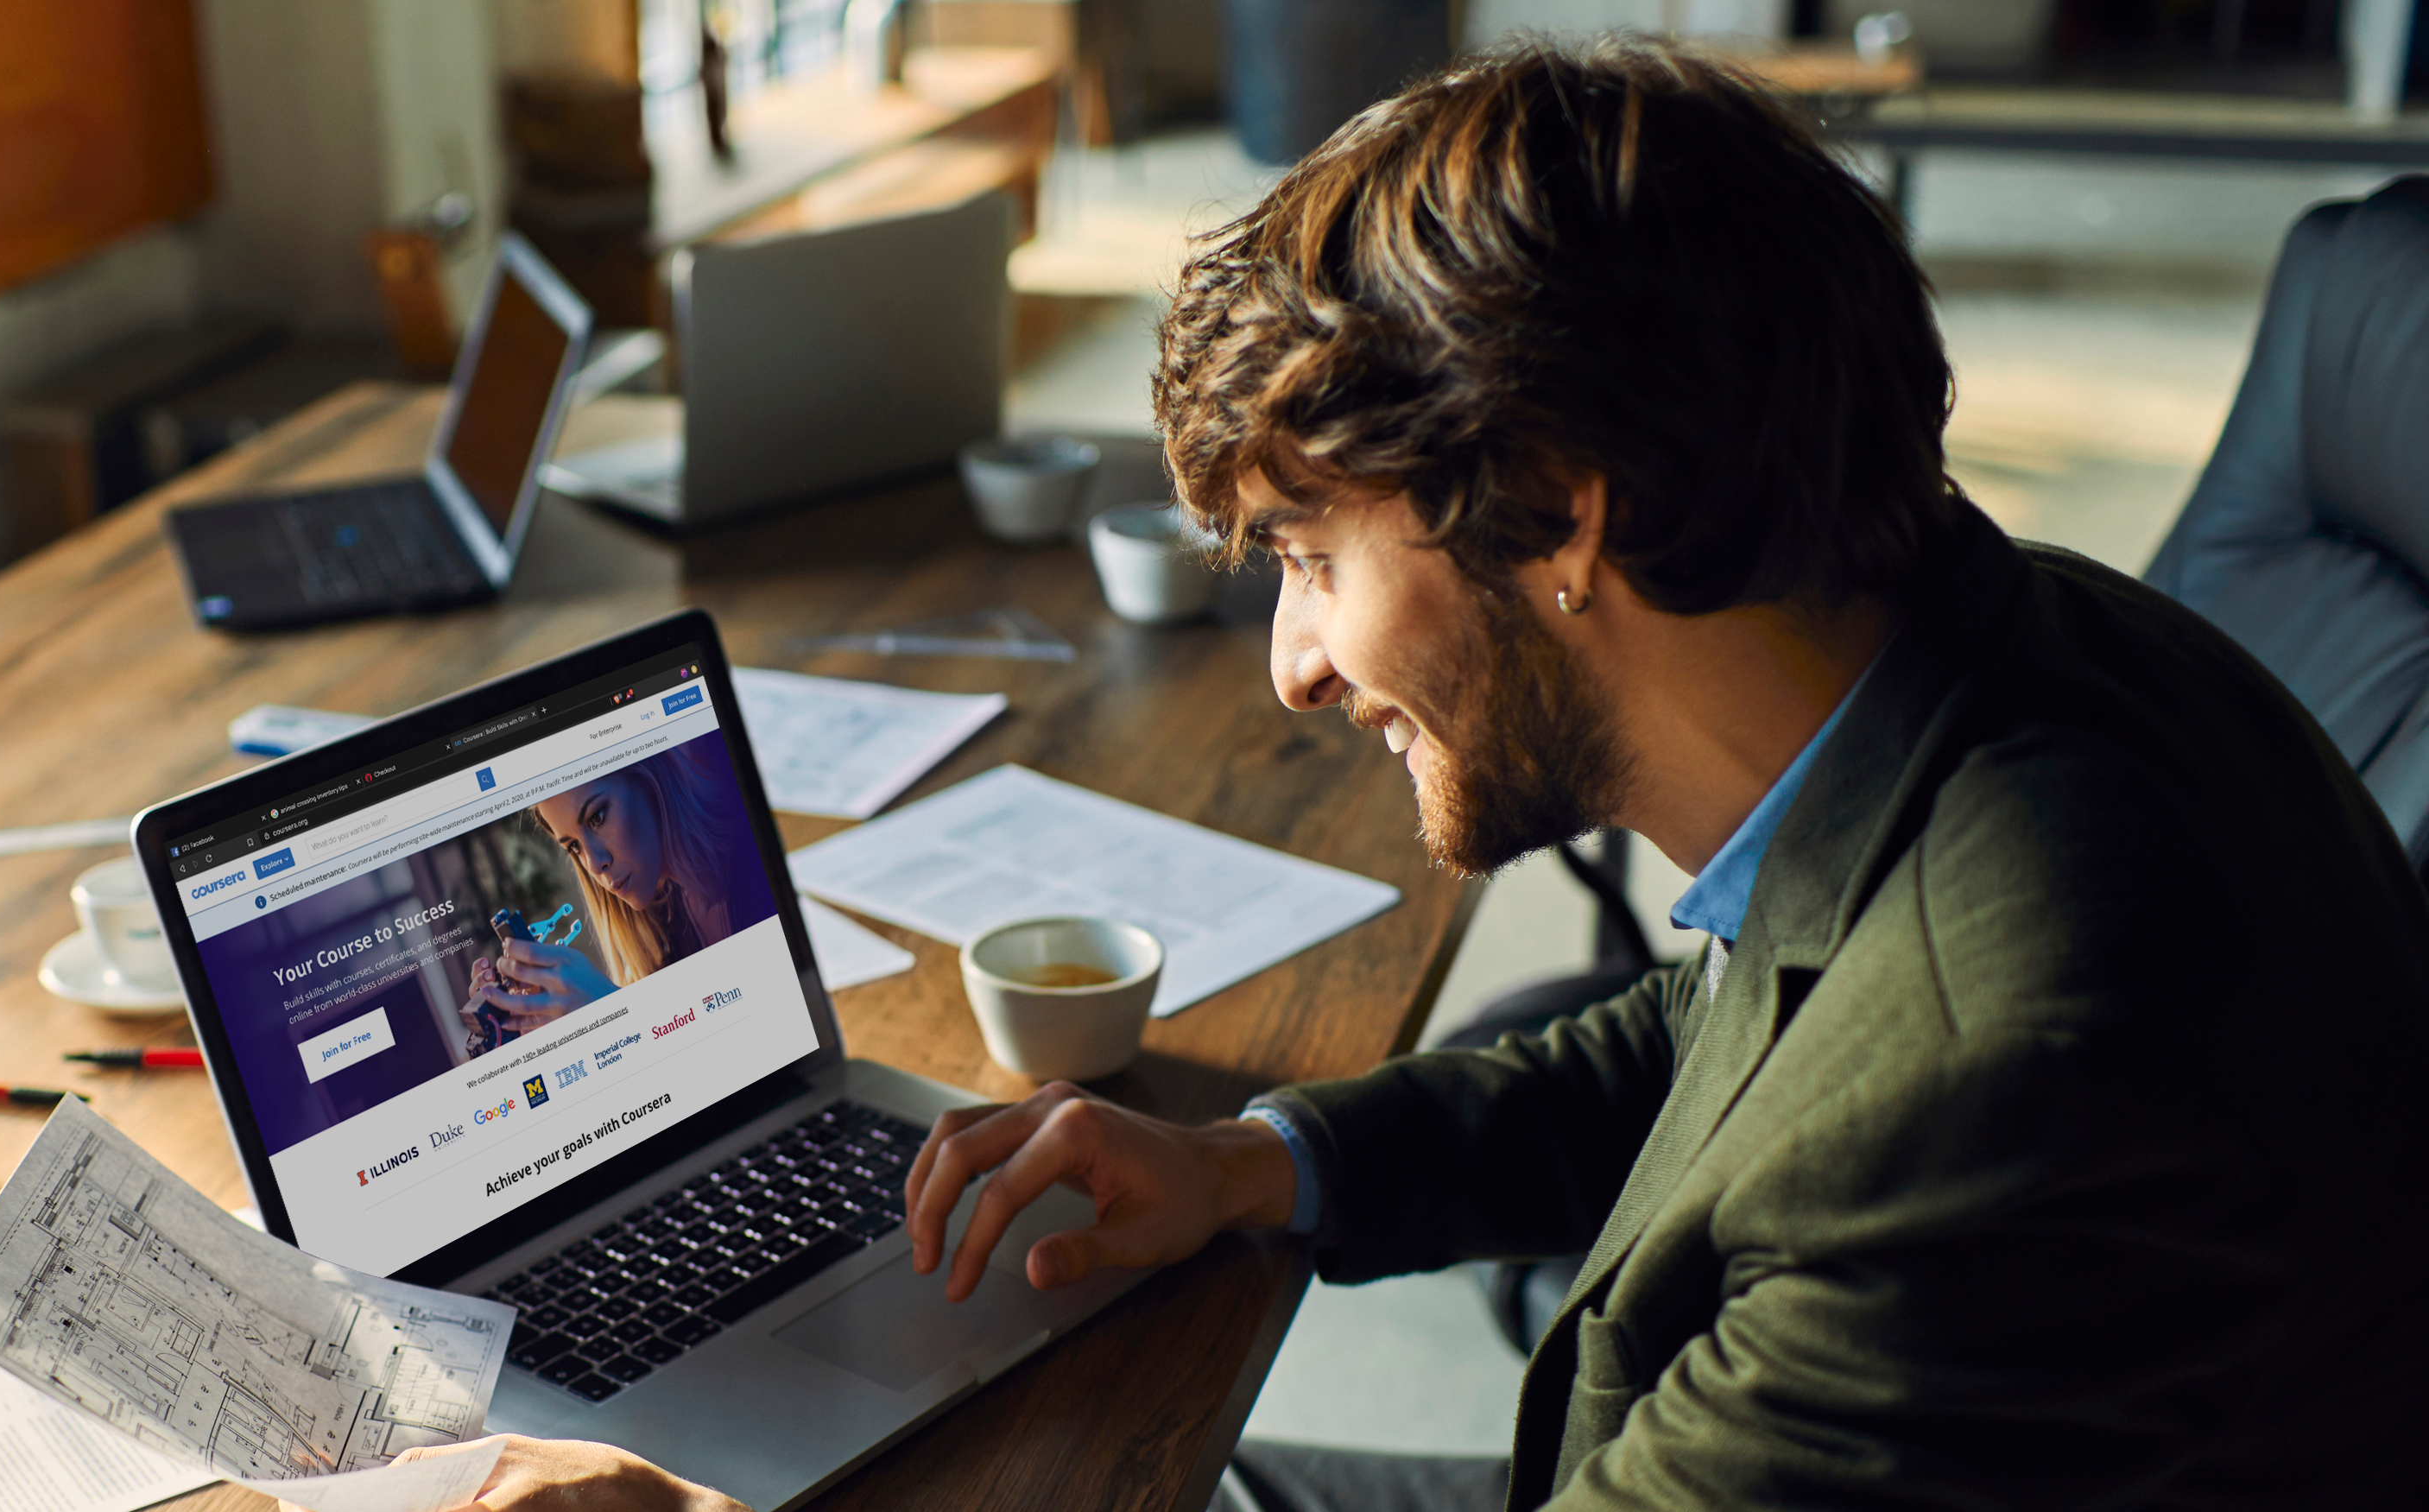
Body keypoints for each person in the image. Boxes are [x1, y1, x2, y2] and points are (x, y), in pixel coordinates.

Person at [425, 35, 2429, 1512]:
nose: (1297, 666)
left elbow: (1868, 1107)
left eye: (1311, 556)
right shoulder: (2003, 653)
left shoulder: (2016, 1084)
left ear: (1559, 509)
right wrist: (1252, 1165)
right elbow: (1725, 1042)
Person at [459, 738, 774, 1038]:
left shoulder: (759, 863)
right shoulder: (663, 929)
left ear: (647, 778)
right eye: (574, 847)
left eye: (597, 817)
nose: (594, 865)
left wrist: (612, 1011)